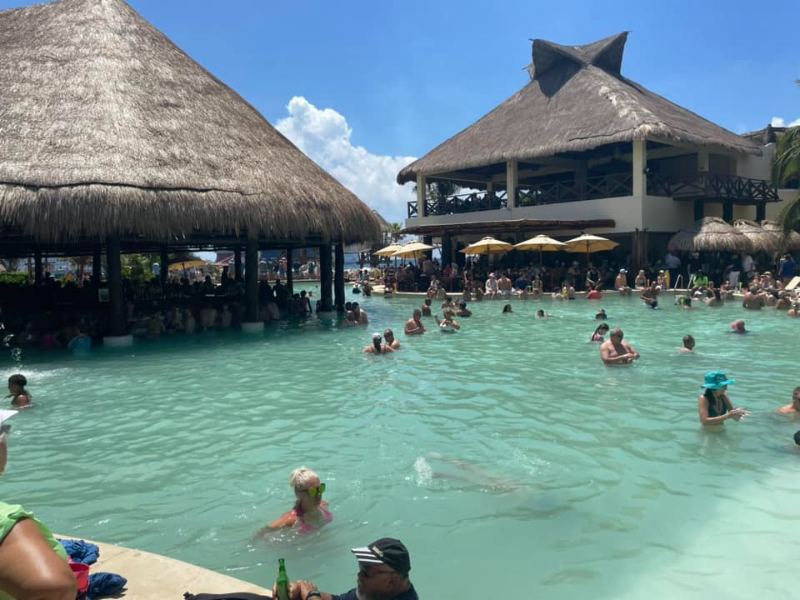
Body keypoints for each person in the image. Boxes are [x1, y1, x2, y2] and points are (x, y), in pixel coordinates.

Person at [277, 537, 418, 600]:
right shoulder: (374, 593)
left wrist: (312, 596)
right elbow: (338, 599)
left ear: (392, 580)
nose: (359, 574)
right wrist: (300, 587)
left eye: (367, 571)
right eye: (361, 566)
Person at [262, 467, 332, 535]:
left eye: (320, 488)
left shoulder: (324, 505)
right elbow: (264, 531)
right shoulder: (291, 519)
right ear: (299, 494)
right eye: (313, 492)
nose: (319, 494)